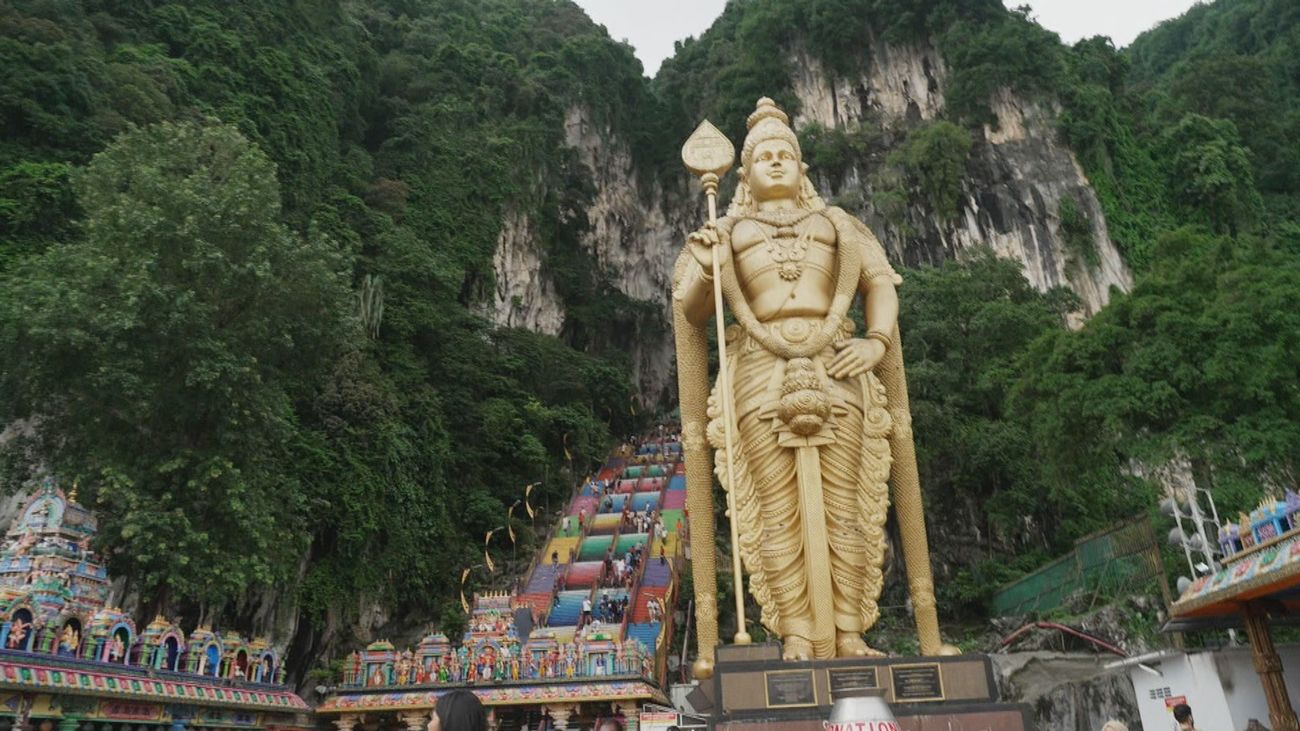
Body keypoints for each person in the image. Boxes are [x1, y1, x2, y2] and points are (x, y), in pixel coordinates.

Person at [674, 97, 956, 663]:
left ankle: (850, 630)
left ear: (802, 168)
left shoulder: (839, 225)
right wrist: (707, 265)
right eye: (764, 157)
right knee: (776, 507)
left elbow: (879, 284)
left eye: (786, 154)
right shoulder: (724, 229)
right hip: (758, 369)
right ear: (746, 174)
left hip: (837, 365)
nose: (776, 162)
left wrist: (873, 341)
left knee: (847, 504)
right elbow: (690, 308)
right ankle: (798, 632)